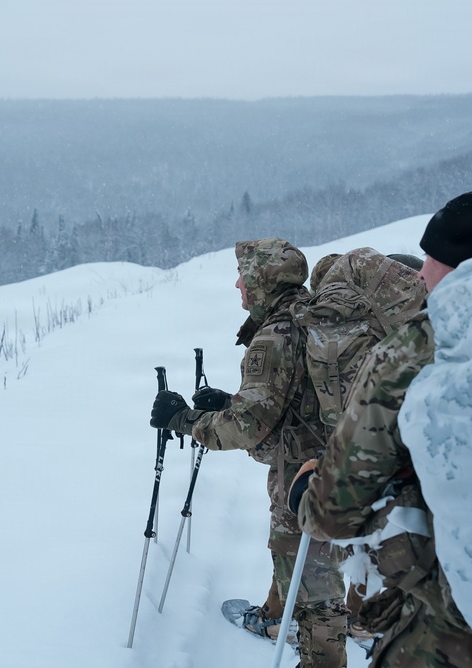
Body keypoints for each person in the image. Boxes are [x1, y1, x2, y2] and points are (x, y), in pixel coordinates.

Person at [290, 191, 472, 667]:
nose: (422, 273)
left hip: (463, 618)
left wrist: (305, 492)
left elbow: (334, 512)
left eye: (435, 259)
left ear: (466, 265)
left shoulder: (418, 350)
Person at [151, 238, 350, 668]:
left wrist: (184, 421)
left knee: (316, 587)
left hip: (303, 477)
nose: (237, 283)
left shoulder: (275, 336)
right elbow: (292, 404)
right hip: (326, 461)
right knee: (303, 562)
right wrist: (228, 403)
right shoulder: (308, 316)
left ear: (264, 280)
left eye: (245, 274)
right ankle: (280, 618)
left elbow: (246, 428)